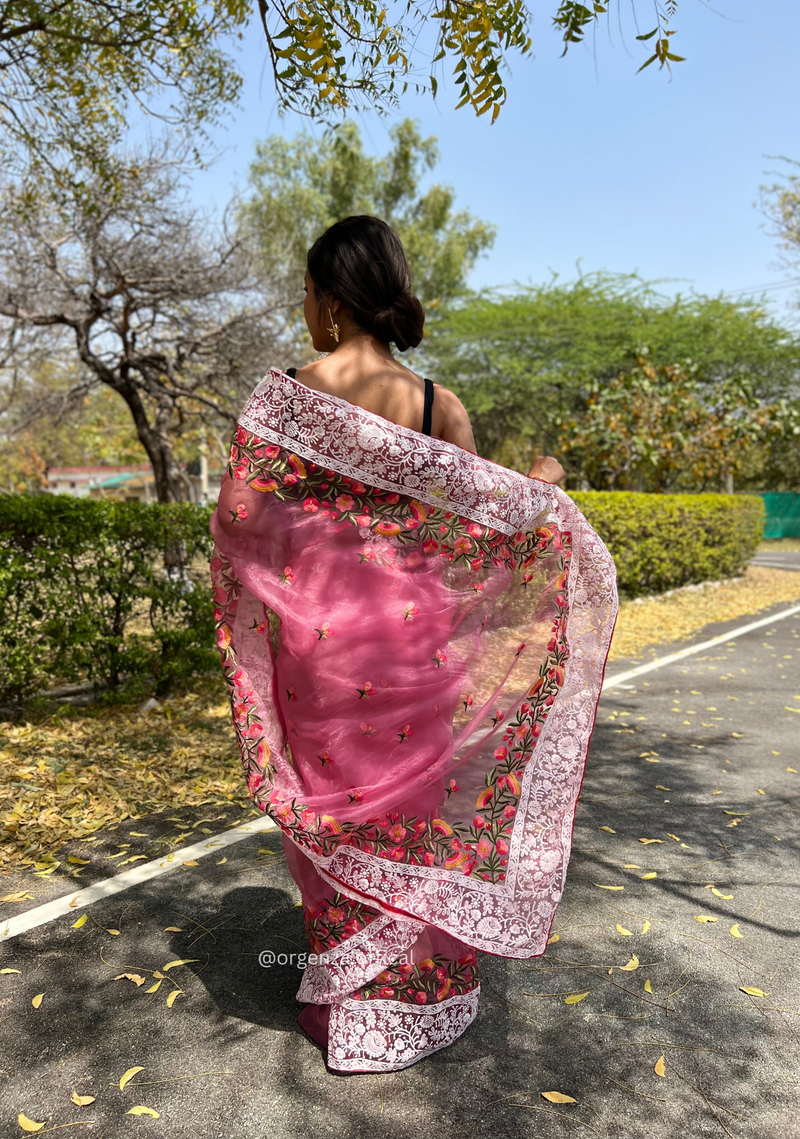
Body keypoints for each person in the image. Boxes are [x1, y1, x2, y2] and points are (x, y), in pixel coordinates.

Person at [210, 215, 617, 1073]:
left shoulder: (284, 400)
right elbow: (482, 539)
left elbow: (241, 529)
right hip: (415, 658)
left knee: (330, 814)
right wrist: (541, 490)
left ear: (327, 301)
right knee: (410, 821)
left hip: (318, 658)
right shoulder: (439, 405)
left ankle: (346, 996)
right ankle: (414, 998)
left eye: (309, 296)